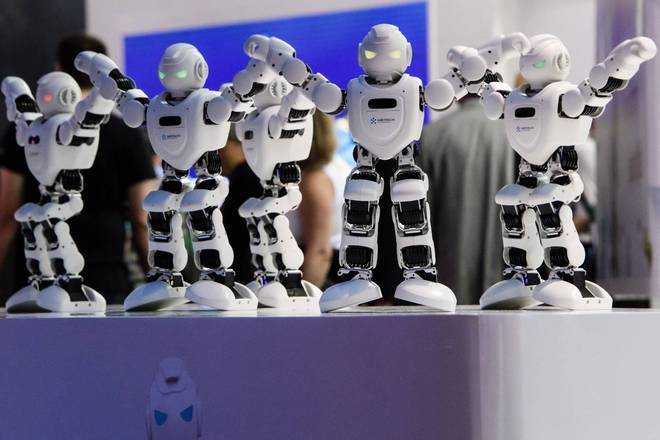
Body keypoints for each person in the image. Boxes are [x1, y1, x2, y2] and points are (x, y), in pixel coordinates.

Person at [0, 33, 156, 305]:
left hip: (90, 265)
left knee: (53, 234)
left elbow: (5, 211)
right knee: (38, 231)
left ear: (58, 67)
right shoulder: (124, 133)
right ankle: (44, 279)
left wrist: (106, 90)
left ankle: (66, 281)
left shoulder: (71, 126)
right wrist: (153, 275)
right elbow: (142, 215)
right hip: (107, 271)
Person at [418, 95, 515, 304]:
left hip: (446, 283)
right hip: (510, 281)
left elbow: (419, 218)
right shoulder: (515, 132)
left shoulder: (432, 135)